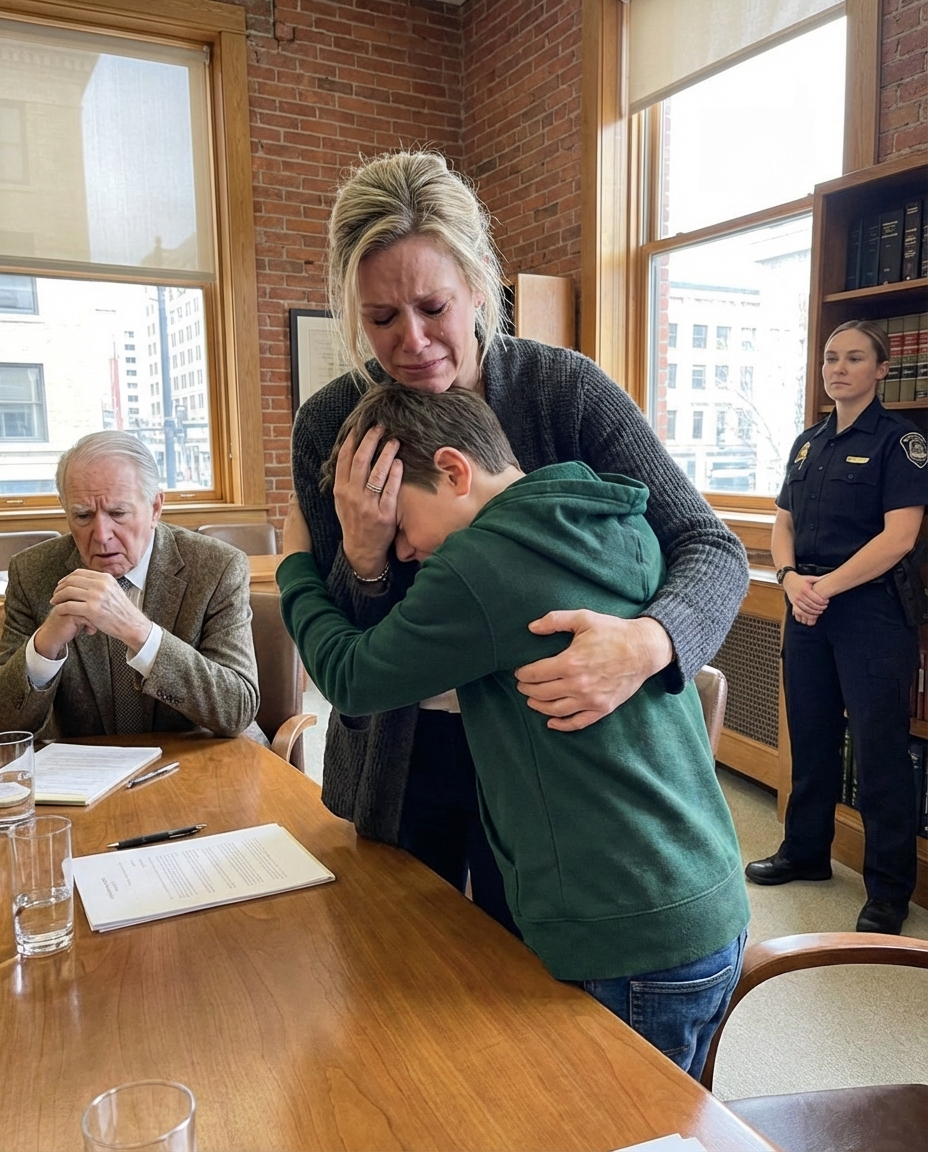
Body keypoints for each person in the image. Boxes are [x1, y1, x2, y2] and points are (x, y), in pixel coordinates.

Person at [291, 149, 748, 928]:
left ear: (477, 286)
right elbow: (346, 656)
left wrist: (648, 642)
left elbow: (711, 545)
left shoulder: (562, 390)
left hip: (558, 769)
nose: (411, 341)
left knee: (535, 1004)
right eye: (380, 319)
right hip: (404, 757)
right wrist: (363, 561)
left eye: (434, 307)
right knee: (400, 974)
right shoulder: (332, 422)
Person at [280, 384, 749, 1079]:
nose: (403, 550)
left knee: (607, 1127)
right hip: (704, 900)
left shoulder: (481, 566)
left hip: (621, 934)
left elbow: (351, 677)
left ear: (455, 471)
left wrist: (297, 566)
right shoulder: (611, 516)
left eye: (401, 520)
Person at [745, 320, 925, 935]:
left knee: (879, 756)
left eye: (854, 358)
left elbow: (900, 536)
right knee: (812, 737)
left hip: (870, 611)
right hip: (807, 606)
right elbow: (783, 522)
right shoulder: (807, 443)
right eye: (830, 358)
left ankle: (888, 890)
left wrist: (824, 587)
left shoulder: (900, 444)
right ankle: (805, 852)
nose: (838, 368)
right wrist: (791, 579)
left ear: (880, 370)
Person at [0, 431, 259, 739]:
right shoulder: (32, 573)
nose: (101, 534)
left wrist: (140, 633)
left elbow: (237, 709)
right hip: (88, 771)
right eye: (82, 515)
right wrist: (45, 645)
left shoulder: (217, 567)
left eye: (118, 513)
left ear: (155, 508)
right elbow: (7, 726)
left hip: (196, 760)